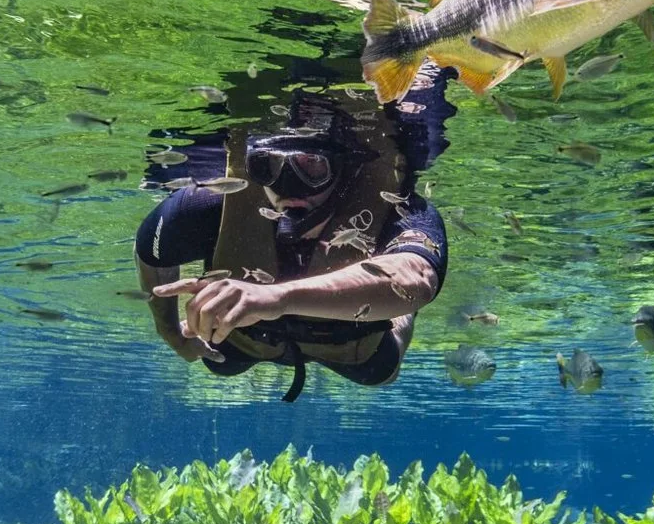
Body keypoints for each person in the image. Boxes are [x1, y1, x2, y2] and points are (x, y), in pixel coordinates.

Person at [137, 74, 452, 401]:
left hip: (353, 343)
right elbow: (152, 251)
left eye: (311, 167)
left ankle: (396, 314)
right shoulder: (209, 203)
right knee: (220, 363)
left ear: (342, 168)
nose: (288, 185)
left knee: (381, 372)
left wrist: (275, 298)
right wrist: (169, 330)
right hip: (243, 337)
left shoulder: (397, 209)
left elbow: (416, 279)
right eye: (267, 167)